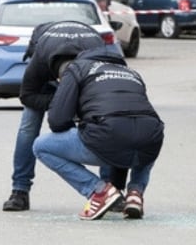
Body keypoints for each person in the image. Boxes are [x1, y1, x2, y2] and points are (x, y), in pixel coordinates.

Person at [2, 21, 127, 212]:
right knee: (28, 128)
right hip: (47, 71)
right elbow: (26, 95)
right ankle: (19, 191)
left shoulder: (100, 58)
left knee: (104, 121)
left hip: (87, 72)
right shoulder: (41, 60)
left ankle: (110, 189)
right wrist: (57, 102)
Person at [33, 46, 164, 220]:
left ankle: (98, 190)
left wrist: (81, 122)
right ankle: (135, 194)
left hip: (108, 137)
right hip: (151, 138)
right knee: (141, 133)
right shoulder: (131, 72)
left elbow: (57, 120)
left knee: (41, 146)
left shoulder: (78, 68)